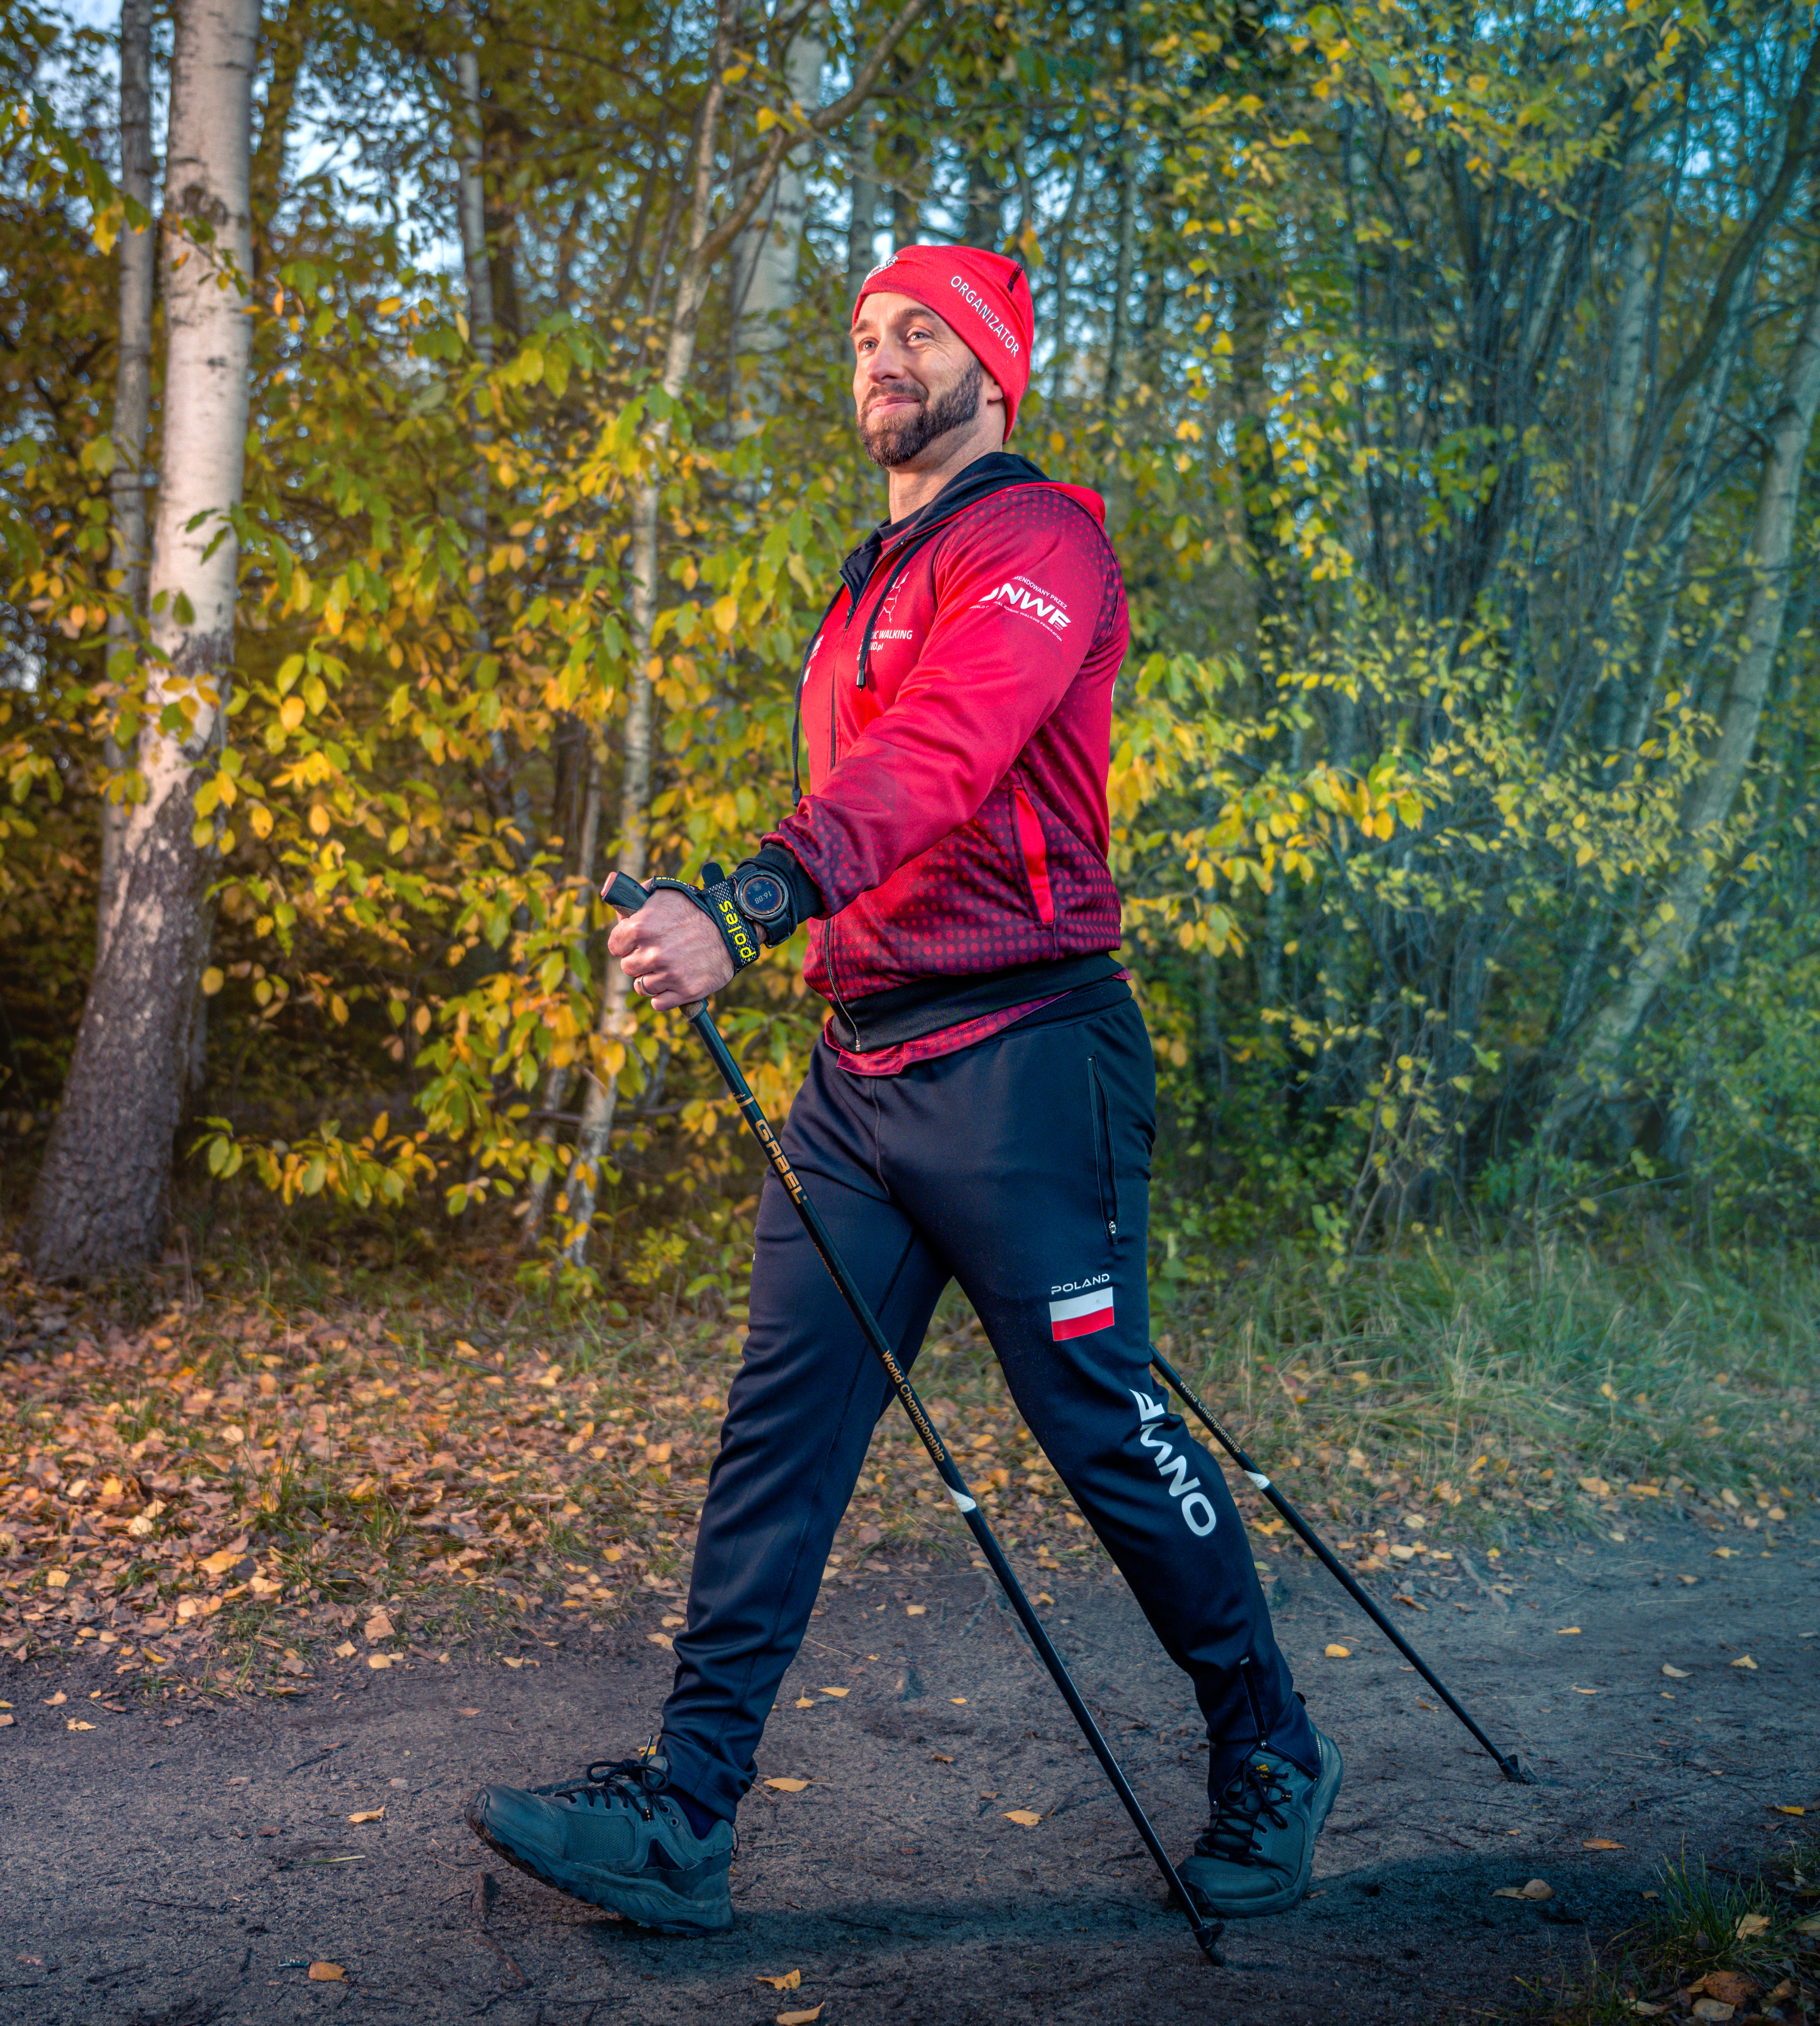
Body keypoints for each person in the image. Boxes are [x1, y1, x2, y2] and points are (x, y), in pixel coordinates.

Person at [467, 243, 1339, 1936]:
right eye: (863, 333)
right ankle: (687, 1815)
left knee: (1099, 1425)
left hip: (1025, 1063)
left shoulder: (1039, 543)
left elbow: (940, 755)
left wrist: (744, 903)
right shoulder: (870, 569)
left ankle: (1270, 1749)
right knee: (776, 1436)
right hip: (858, 1077)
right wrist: (764, 917)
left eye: (915, 331)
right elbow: (873, 779)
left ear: (992, 365)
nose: (879, 354)